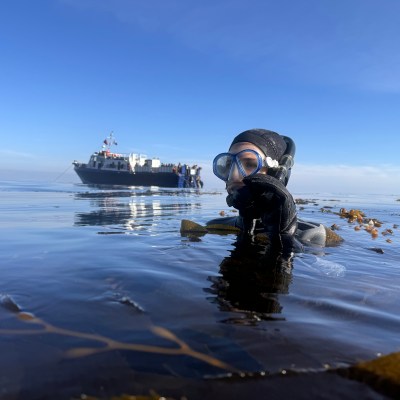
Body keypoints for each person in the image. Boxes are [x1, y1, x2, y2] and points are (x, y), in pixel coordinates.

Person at [207, 128, 342, 248]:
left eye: (249, 164)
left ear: (277, 174)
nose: (234, 176)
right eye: (229, 164)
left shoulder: (316, 235)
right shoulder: (213, 227)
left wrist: (284, 240)